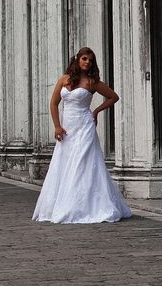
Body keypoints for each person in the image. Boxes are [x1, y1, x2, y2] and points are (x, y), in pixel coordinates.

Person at [32, 46, 132, 223]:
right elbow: (54, 103)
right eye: (85, 58)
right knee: (65, 162)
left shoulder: (92, 82)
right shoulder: (64, 79)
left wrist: (96, 111)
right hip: (67, 128)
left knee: (82, 163)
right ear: (77, 59)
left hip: (85, 125)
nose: (87, 62)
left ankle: (81, 206)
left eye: (91, 60)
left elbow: (113, 97)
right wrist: (57, 126)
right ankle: (62, 203)